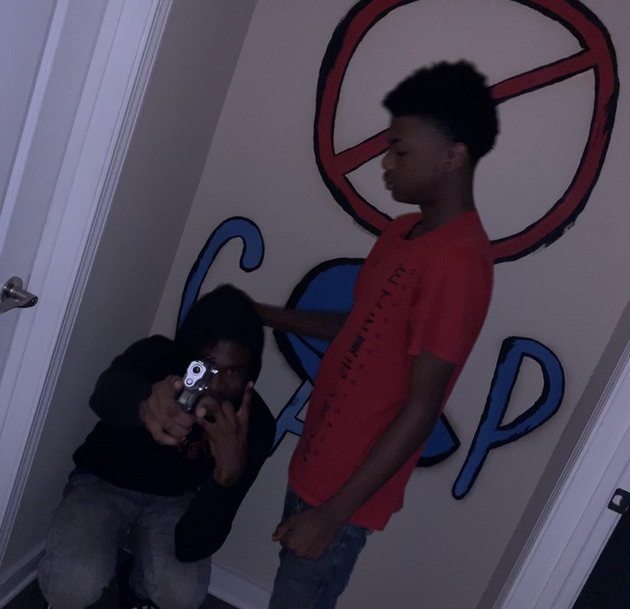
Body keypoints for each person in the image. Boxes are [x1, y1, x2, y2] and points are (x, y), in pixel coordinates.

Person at [258, 60, 499, 609]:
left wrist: (331, 516)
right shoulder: (402, 231)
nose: (385, 163)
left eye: (400, 151)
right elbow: (363, 329)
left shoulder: (458, 264)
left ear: (452, 157)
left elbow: (422, 409)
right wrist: (266, 314)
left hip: (344, 499)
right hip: (316, 465)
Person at [38, 284, 276, 609]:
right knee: (71, 586)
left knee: (183, 594)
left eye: (234, 370)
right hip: (103, 482)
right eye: (207, 364)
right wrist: (144, 404)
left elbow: (196, 545)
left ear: (251, 372)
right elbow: (104, 396)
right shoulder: (157, 356)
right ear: (189, 354)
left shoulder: (253, 424)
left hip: (175, 502)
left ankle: (137, 587)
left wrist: (226, 478)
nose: (217, 384)